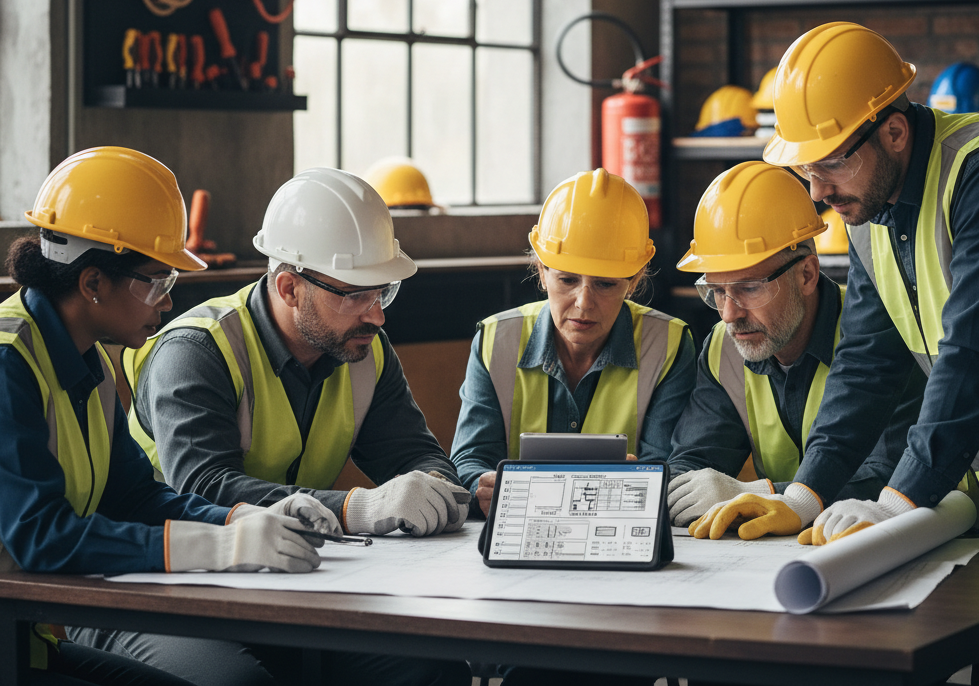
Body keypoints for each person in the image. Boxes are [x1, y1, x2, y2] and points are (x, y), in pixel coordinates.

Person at [690, 22, 979, 684]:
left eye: (832, 162)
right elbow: (867, 368)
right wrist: (806, 494)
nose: (816, 192)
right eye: (805, 168)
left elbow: (976, 352)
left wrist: (897, 506)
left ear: (894, 132)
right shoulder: (871, 210)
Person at [119, 167, 469, 686]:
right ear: (288, 287)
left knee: (427, 672)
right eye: (356, 294)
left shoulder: (363, 350)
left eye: (384, 292)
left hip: (293, 586)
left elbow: (415, 456)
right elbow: (203, 486)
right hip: (159, 591)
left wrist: (433, 490)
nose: (377, 316)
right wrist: (357, 507)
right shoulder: (195, 352)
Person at [0, 146, 335, 686]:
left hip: (26, 645)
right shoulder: (9, 363)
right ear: (92, 283)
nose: (166, 304)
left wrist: (241, 518)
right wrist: (221, 549)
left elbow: (134, 494)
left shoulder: (91, 362)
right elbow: (42, 537)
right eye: (156, 282)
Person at [667, 161, 924, 526]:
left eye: (750, 288)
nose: (728, 314)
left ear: (807, 274)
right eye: (716, 291)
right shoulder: (723, 348)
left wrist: (759, 494)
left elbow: (890, 477)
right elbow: (692, 466)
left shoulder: (878, 338)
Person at [451, 167, 695, 519]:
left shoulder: (670, 345)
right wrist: (481, 486)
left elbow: (665, 468)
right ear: (542, 270)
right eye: (567, 279)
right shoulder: (495, 341)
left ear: (634, 279)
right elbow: (470, 459)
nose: (583, 302)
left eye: (605, 284)